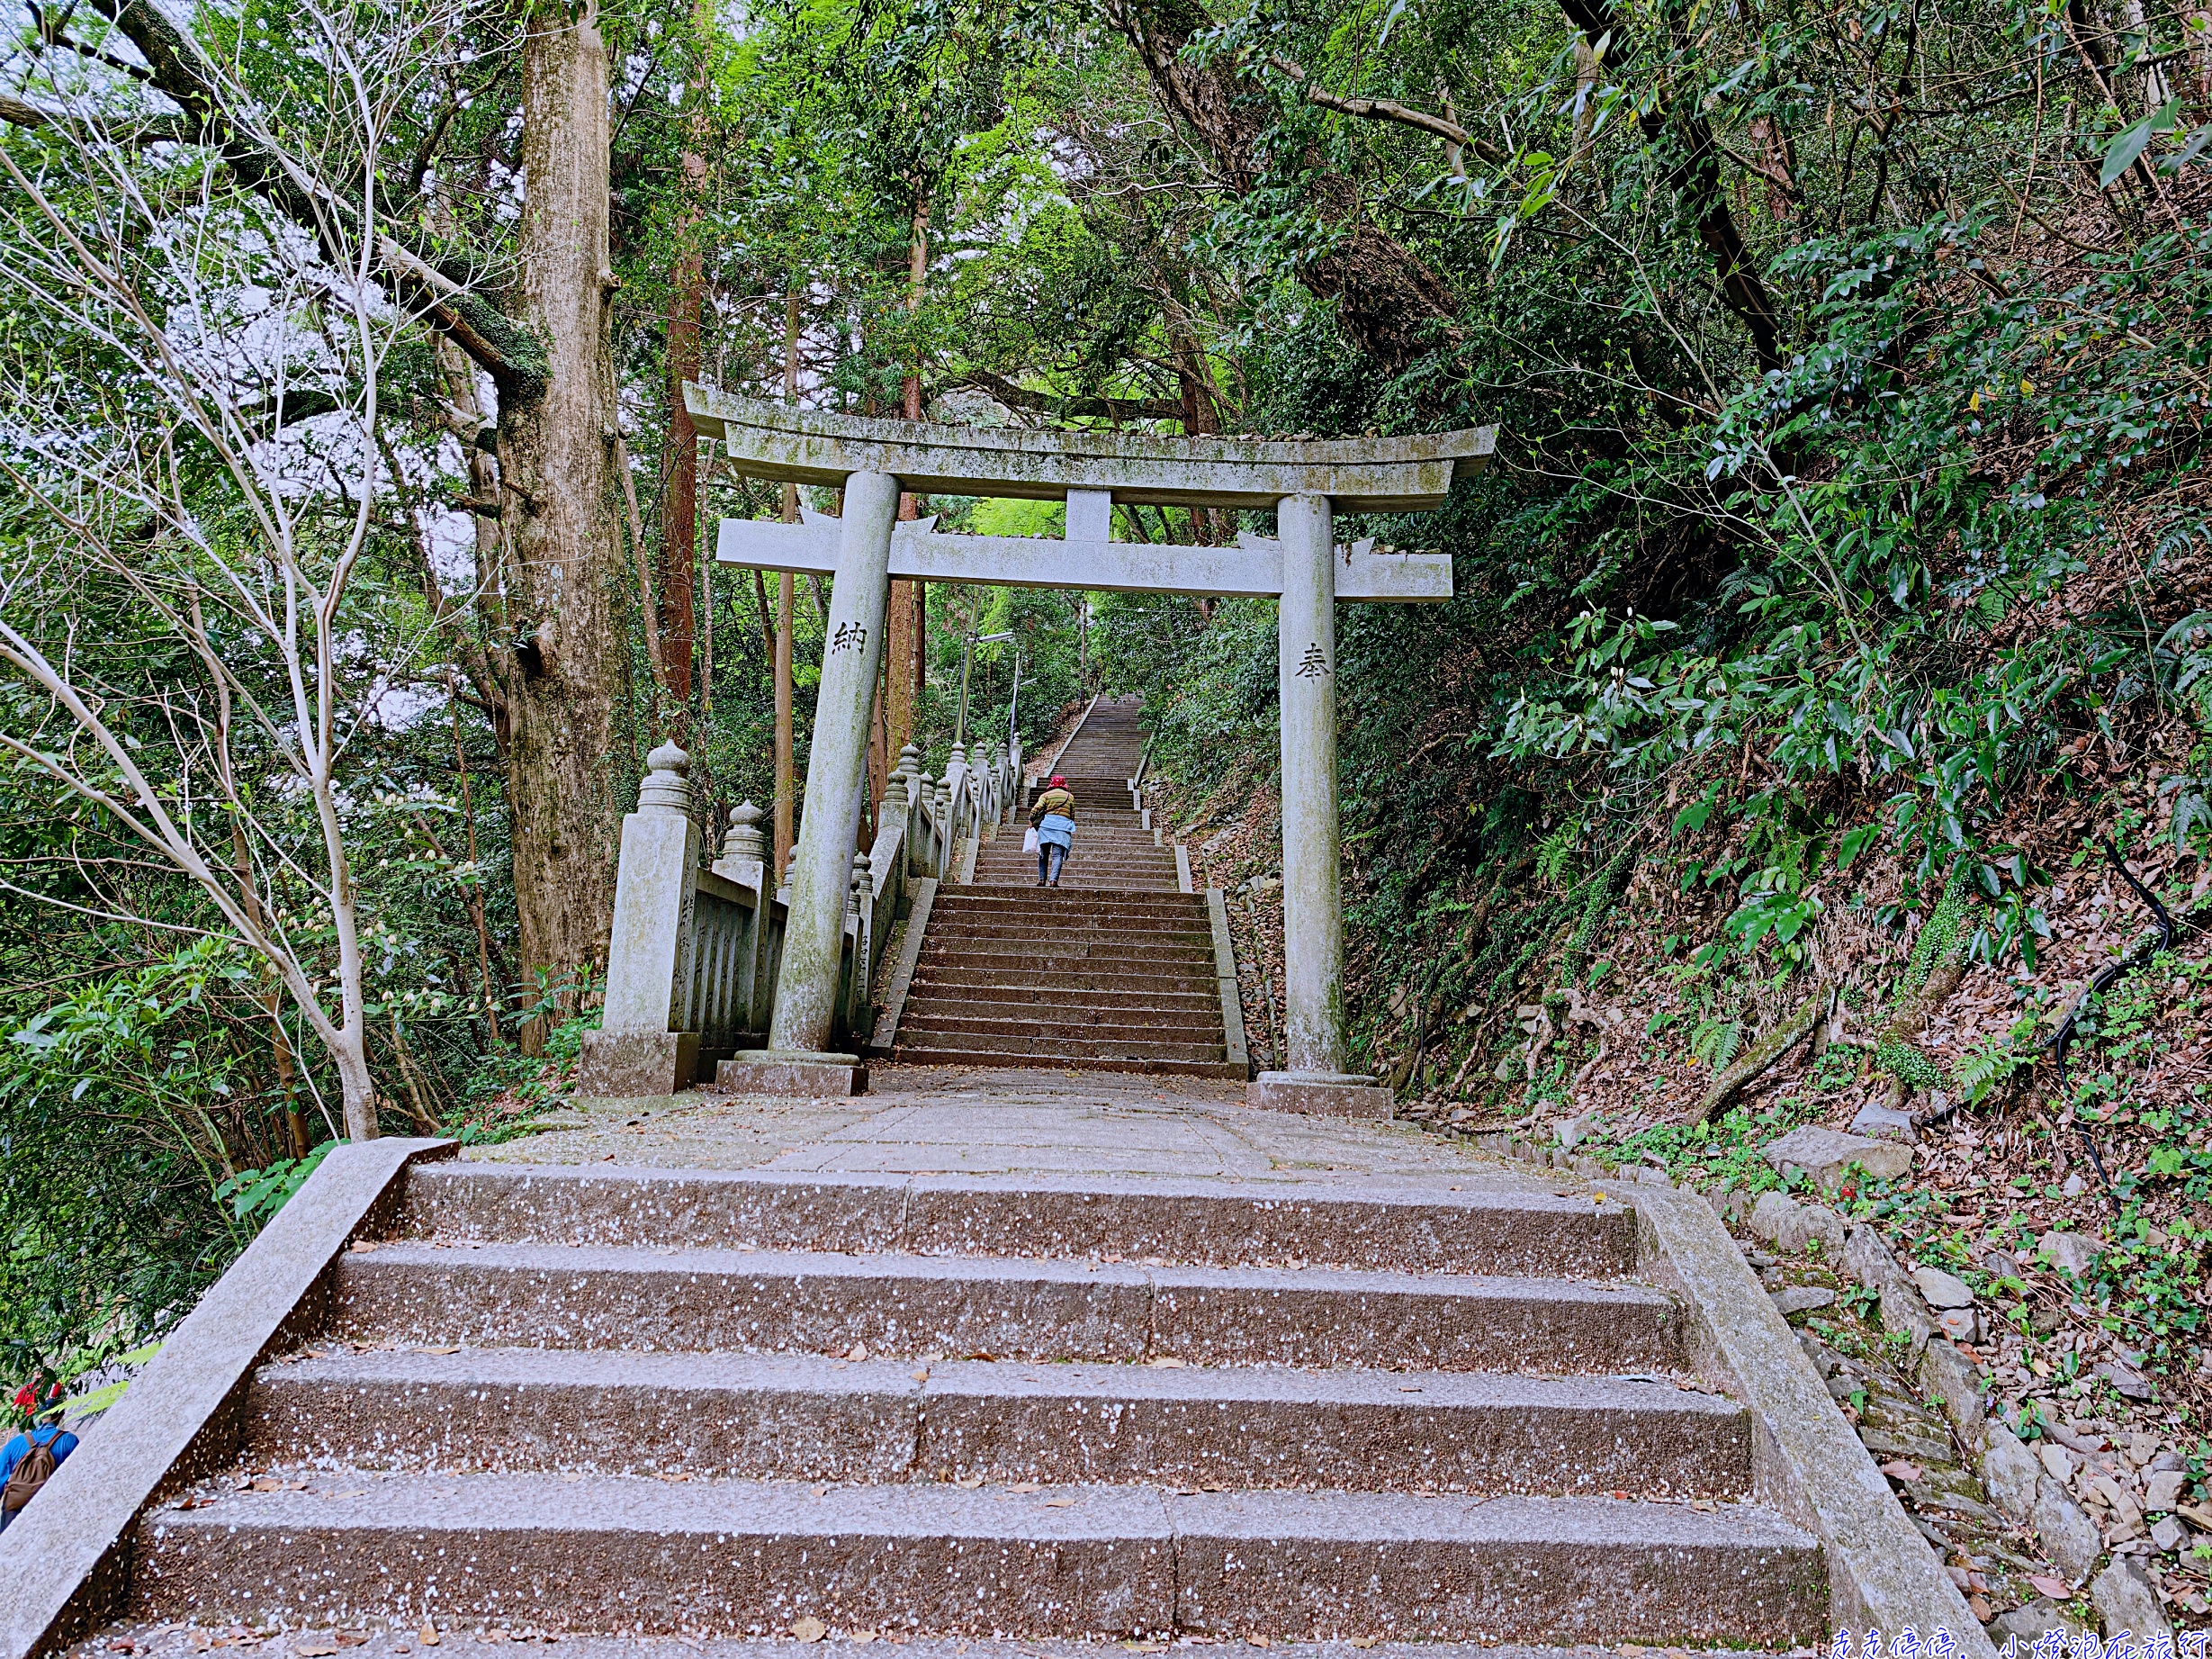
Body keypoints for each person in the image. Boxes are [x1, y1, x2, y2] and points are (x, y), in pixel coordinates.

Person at [1, 1373, 76, 1533]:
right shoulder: (69, 1441)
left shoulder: (15, 1443)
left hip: (15, 1507)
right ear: (61, 1413)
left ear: (38, 1415)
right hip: (49, 1508)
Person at [1029, 772, 1075, 888]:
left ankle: (1042, 879)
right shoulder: (1070, 797)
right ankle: (1053, 881)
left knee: (1043, 854)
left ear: (1052, 784)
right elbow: (1072, 814)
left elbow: (1037, 808)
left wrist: (1031, 819)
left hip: (1046, 827)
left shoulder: (1046, 795)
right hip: (1062, 828)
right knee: (1057, 855)